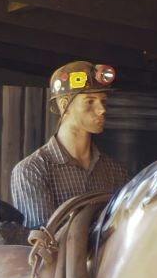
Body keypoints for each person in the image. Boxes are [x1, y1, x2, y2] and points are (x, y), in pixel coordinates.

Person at [9, 60, 131, 229]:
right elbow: (45, 238)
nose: (102, 109)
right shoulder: (32, 170)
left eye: (103, 101)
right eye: (90, 101)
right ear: (64, 105)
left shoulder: (116, 172)